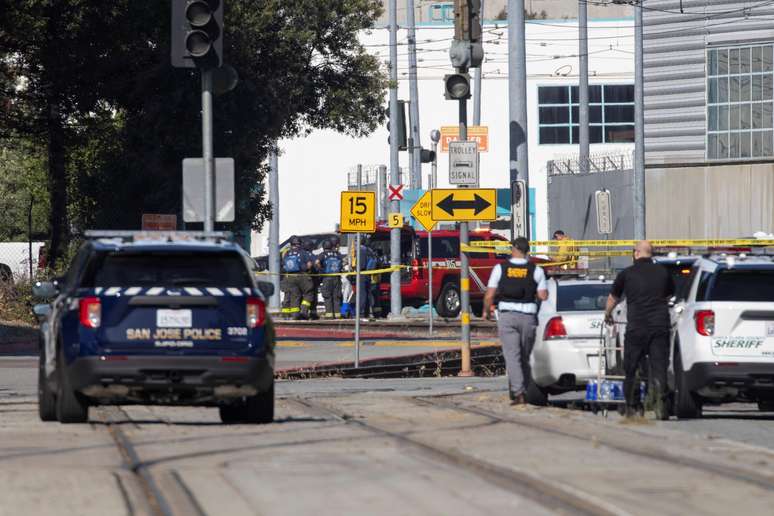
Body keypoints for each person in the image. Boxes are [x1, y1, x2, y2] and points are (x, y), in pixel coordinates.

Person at [604, 240, 675, 419]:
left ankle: (633, 405)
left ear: (636, 253)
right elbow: (669, 294)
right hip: (659, 325)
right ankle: (661, 404)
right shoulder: (663, 272)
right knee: (659, 366)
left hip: (637, 327)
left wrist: (607, 314)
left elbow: (613, 297)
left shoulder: (627, 274)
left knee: (631, 367)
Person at [483, 237, 549, 406]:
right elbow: (543, 296)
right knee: (525, 356)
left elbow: (490, 294)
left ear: (513, 249)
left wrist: (486, 310)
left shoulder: (500, 268)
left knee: (512, 355)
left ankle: (519, 392)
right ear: (527, 251)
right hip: (528, 317)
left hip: (507, 316)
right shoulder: (536, 270)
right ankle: (524, 389)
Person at [282, 237, 314, 320]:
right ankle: (304, 310)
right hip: (302, 275)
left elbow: (284, 265)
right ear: (299, 244)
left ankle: (295, 315)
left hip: (290, 277)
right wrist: (308, 270)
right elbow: (309, 264)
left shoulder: (287, 253)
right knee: (309, 292)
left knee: (295, 296)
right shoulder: (303, 252)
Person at [317, 239, 343, 319]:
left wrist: (321, 270)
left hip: (327, 277)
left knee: (327, 296)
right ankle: (338, 315)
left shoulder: (322, 255)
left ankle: (329, 315)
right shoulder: (337, 254)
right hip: (336, 278)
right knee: (336, 297)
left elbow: (317, 262)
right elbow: (342, 263)